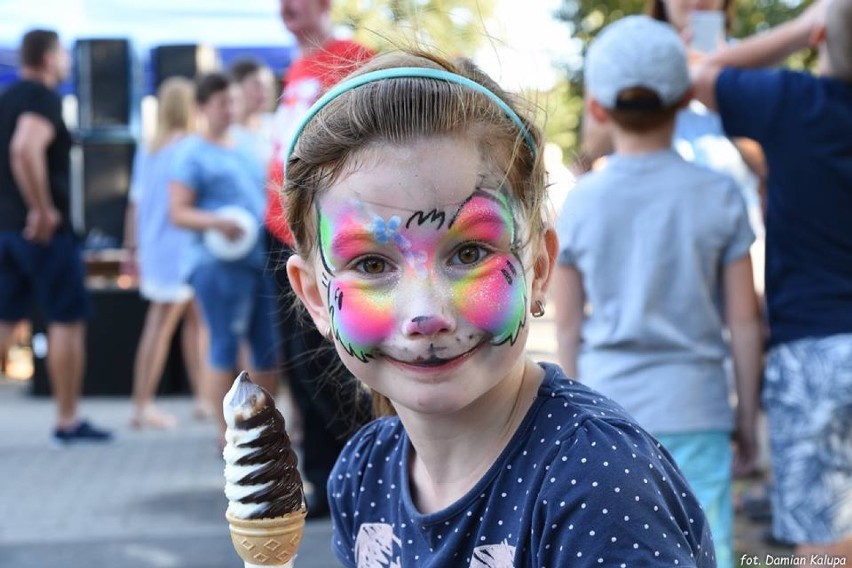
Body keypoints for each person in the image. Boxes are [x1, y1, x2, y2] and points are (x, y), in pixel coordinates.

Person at [282, 49, 716, 566]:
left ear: (537, 270)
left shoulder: (597, 482)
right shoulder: (361, 474)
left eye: (469, 253)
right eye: (373, 265)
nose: (426, 315)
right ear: (314, 296)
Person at [554, 16, 762, 568]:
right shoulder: (719, 196)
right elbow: (744, 323)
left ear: (598, 107)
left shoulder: (581, 202)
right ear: (686, 97)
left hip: (606, 413)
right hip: (697, 406)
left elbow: (568, 326)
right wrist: (746, 419)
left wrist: (570, 415)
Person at [694, 0, 852, 561]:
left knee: (821, 537)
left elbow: (700, 74)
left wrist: (799, 28)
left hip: (809, 350)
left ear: (822, 36)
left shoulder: (793, 102)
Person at [265, 0, 375, 519]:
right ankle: (324, 479)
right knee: (301, 365)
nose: (288, 6)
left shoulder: (352, 56)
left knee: (336, 360)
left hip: (325, 235)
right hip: (280, 236)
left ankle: (363, 473)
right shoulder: (292, 69)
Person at [0, 29, 111, 444]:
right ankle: (67, 421)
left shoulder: (7, 98)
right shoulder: (40, 97)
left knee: (8, 319)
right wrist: (42, 209)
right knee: (67, 319)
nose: (67, 61)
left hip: (8, 229)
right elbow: (23, 149)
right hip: (42, 233)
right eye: (63, 54)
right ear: (47, 58)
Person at [169, 73, 280, 444]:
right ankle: (227, 436)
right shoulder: (190, 153)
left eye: (233, 101)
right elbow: (178, 212)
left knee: (267, 347)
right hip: (216, 265)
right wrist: (217, 221)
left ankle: (263, 432)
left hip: (258, 260)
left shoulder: (248, 145)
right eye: (221, 103)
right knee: (223, 345)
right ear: (202, 108)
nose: (230, 110)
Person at [123, 77, 209, 429]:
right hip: (182, 246)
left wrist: (131, 247)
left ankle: (203, 397)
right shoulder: (192, 146)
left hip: (157, 245)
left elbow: (135, 203)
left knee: (189, 321)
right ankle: (142, 406)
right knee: (170, 325)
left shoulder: (150, 147)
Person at [228, 59, 276, 166]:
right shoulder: (225, 132)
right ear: (236, 87)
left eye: (268, 86)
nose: (265, 92)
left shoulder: (276, 125)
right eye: (257, 85)